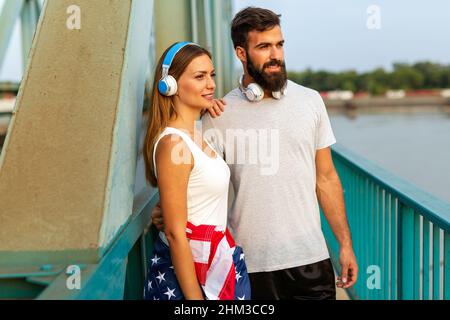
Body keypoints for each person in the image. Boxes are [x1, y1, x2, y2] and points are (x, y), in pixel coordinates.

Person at [153, 7, 358, 300]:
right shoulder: (218, 114)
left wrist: (345, 245)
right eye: (264, 46)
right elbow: (199, 180)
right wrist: (163, 211)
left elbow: (326, 178)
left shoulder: (311, 102)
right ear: (241, 52)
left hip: (310, 258)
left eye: (279, 44)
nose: (275, 54)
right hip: (247, 265)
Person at [142, 42, 251, 300]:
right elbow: (175, 233)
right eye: (199, 77)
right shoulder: (173, 143)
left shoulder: (197, 135)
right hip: (190, 278)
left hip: (213, 265)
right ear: (170, 84)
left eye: (211, 75)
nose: (211, 84)